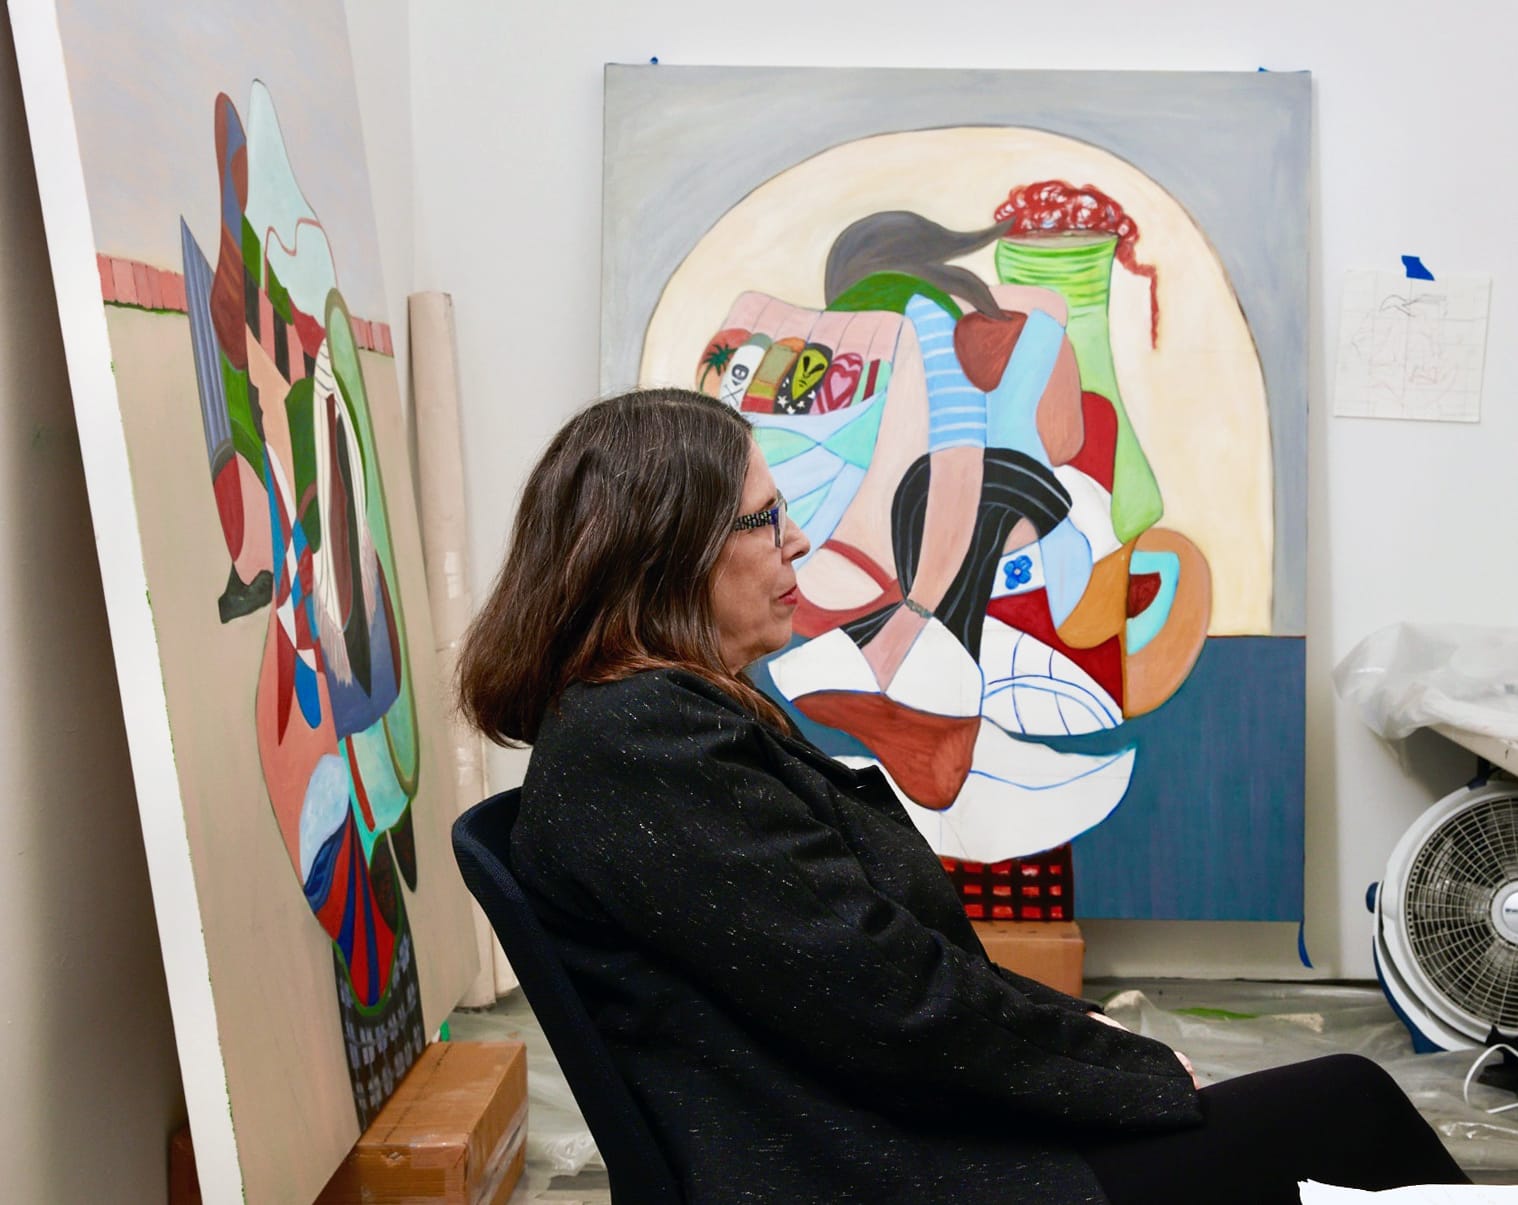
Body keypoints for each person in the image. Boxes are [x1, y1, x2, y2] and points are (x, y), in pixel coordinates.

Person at [457, 387, 1469, 1204]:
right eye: (763, 517)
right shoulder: (644, 742)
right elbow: (893, 1005)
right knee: (1350, 1105)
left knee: (1323, 1105)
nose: (796, 540)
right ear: (664, 551)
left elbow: (878, 974)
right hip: (872, 1166)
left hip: (875, 1132)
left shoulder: (647, 721)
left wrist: (1096, 1039)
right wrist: (1126, 1070)